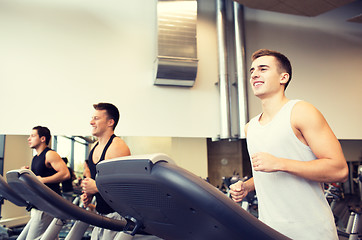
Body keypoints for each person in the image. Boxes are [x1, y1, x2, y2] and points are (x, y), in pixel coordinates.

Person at [229, 49, 348, 240]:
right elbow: (268, 173)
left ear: (283, 77)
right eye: (252, 71)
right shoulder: (250, 128)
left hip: (311, 231)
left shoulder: (300, 111)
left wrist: (280, 163)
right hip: (269, 229)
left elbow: (339, 170)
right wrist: (248, 186)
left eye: (263, 69)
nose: (254, 75)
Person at [81, 103, 131, 240]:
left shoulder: (117, 147)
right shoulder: (94, 148)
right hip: (101, 213)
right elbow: (98, 181)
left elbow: (125, 187)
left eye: (96, 118)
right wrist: (90, 194)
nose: (91, 122)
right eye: (92, 118)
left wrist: (95, 187)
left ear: (110, 122)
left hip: (118, 215)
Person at [20, 126, 70, 240]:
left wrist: (42, 180)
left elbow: (65, 173)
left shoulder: (50, 154)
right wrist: (27, 173)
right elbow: (37, 179)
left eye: (32, 136)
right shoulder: (35, 158)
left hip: (48, 204)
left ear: (42, 139)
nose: (29, 139)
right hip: (39, 203)